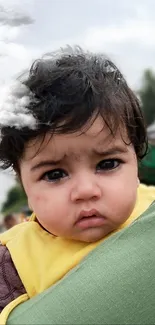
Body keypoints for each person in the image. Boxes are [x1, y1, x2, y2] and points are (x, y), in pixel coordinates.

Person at [0, 46, 154, 323]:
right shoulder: (11, 265)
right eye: (55, 174)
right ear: (22, 182)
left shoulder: (150, 206)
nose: (86, 191)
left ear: (136, 160)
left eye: (107, 164)